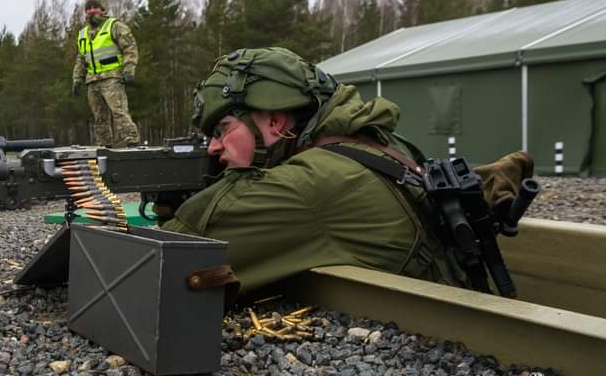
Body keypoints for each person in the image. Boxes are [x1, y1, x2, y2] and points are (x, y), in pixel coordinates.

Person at [161, 47, 532, 295]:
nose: (212, 146)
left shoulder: (312, 183)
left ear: (274, 122)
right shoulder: (367, 143)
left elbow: (165, 261)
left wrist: (173, 207)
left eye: (222, 129)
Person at [72, 0, 141, 147]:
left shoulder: (115, 26)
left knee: (119, 112)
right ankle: (104, 145)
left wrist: (129, 70)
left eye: (95, 7)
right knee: (99, 117)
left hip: (112, 78)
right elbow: (81, 58)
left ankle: (132, 141)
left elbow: (130, 48)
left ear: (102, 9)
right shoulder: (83, 33)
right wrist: (77, 79)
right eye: (88, 8)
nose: (91, 11)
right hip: (92, 81)